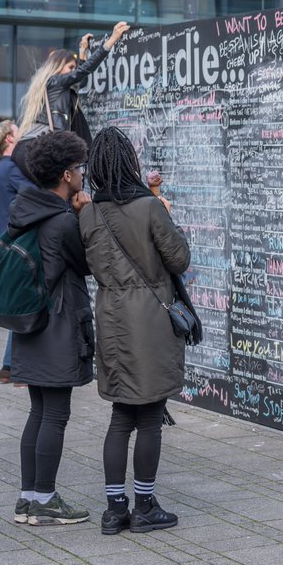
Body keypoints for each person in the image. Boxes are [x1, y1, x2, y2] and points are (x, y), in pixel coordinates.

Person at [80, 127, 189, 535]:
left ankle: (113, 510)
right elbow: (178, 259)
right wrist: (167, 213)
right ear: (130, 162)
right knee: (149, 417)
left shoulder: (89, 213)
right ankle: (144, 505)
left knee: (120, 415)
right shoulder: (149, 207)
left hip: (110, 317)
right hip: (150, 320)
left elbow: (87, 263)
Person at [7, 130, 94, 526]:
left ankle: (28, 498)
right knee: (55, 414)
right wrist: (82, 214)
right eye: (78, 168)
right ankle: (45, 499)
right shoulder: (60, 221)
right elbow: (87, 262)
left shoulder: (25, 210)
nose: (81, 175)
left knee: (38, 412)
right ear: (65, 174)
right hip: (57, 327)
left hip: (29, 326)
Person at [13, 22, 130, 182]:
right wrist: (112, 40)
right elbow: (81, 73)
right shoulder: (55, 81)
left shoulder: (51, 85)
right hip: (39, 149)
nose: (73, 71)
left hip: (30, 148)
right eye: (70, 67)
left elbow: (78, 78)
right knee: (58, 191)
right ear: (58, 67)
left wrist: (82, 51)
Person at [0, 119, 32, 384]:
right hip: (16, 245)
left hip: (9, 245)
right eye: (18, 131)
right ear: (9, 139)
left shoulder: (4, 168)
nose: (22, 134)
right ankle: (12, 369)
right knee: (23, 307)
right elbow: (33, 191)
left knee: (20, 305)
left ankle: (9, 367)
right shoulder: (10, 168)